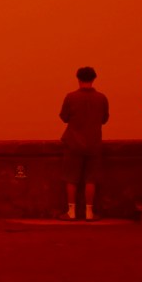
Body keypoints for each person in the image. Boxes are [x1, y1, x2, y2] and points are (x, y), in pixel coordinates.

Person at [59, 67, 109, 221]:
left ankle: (71, 212)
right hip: (94, 142)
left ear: (78, 79)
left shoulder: (71, 97)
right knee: (91, 179)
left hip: (73, 143)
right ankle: (89, 212)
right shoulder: (101, 98)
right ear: (93, 79)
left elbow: (64, 117)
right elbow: (104, 119)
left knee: (71, 178)